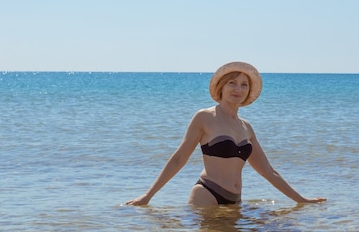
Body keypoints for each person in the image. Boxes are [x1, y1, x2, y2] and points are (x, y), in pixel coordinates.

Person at [125, 61, 327, 206]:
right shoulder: (204, 117)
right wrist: (147, 196)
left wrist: (301, 200)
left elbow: (268, 171)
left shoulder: (246, 127)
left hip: (236, 201)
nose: (238, 89)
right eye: (232, 83)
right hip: (207, 195)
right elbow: (179, 159)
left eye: (244, 85)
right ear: (221, 87)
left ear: (248, 92)